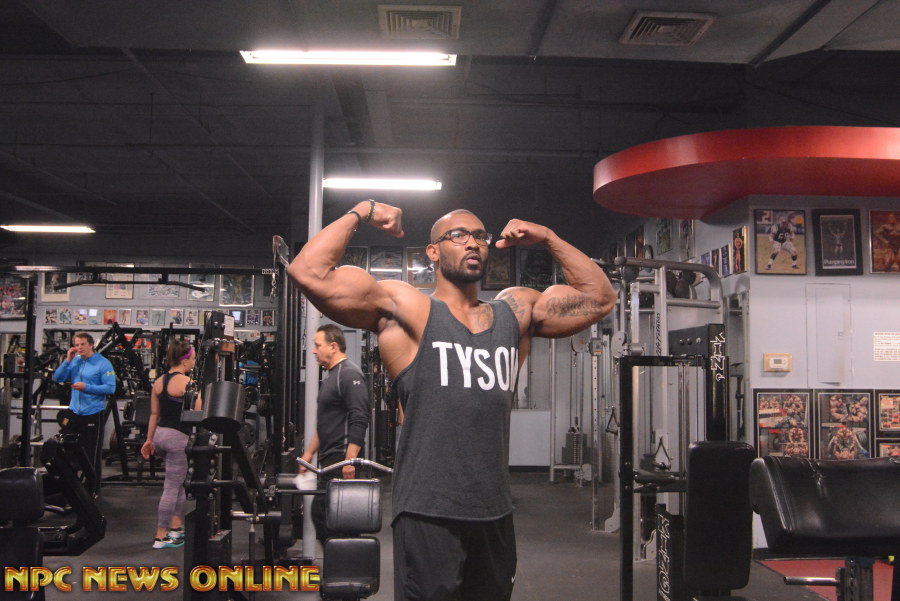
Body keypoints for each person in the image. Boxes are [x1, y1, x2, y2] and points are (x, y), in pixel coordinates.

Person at [287, 199, 616, 601]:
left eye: (479, 235)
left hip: (494, 511)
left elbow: (601, 298)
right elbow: (308, 272)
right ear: (433, 251)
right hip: (427, 511)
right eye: (458, 236)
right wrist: (363, 211)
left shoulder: (515, 311)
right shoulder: (408, 307)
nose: (472, 243)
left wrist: (548, 238)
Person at [298, 324, 372, 541]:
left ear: (333, 346)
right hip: (329, 461)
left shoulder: (348, 374)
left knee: (336, 522)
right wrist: (308, 454)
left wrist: (349, 461)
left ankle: (347, 562)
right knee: (325, 517)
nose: (313, 351)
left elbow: (360, 417)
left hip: (342, 461)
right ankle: (340, 561)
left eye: (317, 345)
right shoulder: (332, 376)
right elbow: (326, 423)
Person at [140, 339, 201, 549]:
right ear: (184, 361)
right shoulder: (187, 383)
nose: (194, 362)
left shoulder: (159, 382)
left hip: (160, 435)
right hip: (177, 439)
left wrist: (149, 440)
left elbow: (154, 414)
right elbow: (199, 413)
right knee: (171, 487)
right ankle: (161, 536)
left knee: (178, 484)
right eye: (193, 359)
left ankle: (175, 528)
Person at [52, 331, 116, 493]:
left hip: (92, 413)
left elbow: (110, 388)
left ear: (91, 345)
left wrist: (86, 387)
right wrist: (67, 361)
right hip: (74, 412)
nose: (79, 347)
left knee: (91, 453)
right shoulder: (75, 361)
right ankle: (70, 488)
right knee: (67, 449)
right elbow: (57, 378)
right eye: (77, 345)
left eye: (82, 344)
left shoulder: (103, 364)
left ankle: (92, 489)